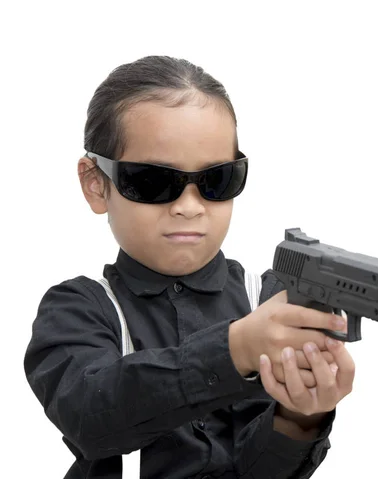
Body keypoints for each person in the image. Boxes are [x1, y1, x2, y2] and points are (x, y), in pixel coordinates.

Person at [23, 55, 355, 479]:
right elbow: (92, 416)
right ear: (95, 183)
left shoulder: (269, 299)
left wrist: (300, 417)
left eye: (217, 179)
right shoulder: (77, 309)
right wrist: (235, 349)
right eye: (152, 180)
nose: (189, 207)